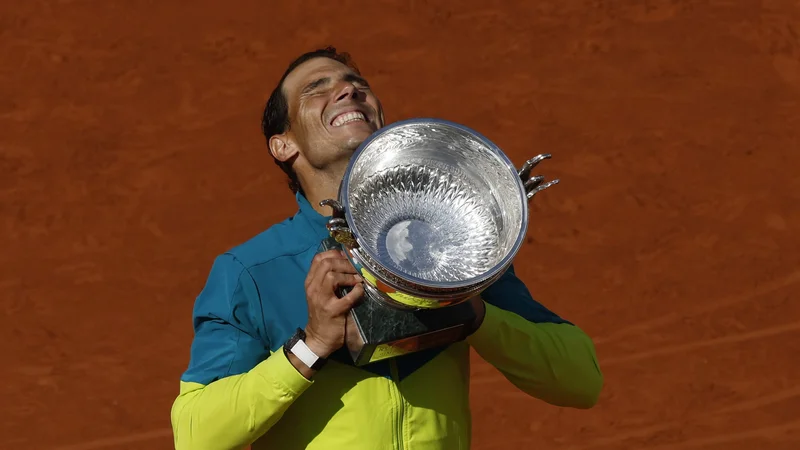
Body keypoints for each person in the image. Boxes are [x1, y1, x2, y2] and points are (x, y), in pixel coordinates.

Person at [170, 47, 603, 450]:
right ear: (283, 144)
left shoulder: (449, 247)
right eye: (315, 88)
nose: (348, 89)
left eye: (356, 83)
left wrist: (473, 313)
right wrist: (313, 345)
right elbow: (195, 433)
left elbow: (581, 381)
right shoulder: (251, 271)